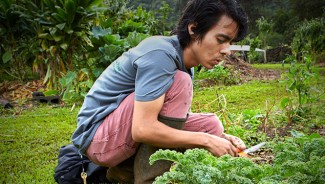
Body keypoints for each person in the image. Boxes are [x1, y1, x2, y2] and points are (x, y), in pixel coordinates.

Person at [72, 0, 249, 183]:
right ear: (194, 29)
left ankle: (122, 174)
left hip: (123, 129)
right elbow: (143, 129)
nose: (227, 51)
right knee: (181, 83)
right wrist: (206, 141)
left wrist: (219, 138)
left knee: (211, 125)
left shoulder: (184, 63)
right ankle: (148, 179)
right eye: (221, 40)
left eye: (230, 42)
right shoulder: (161, 55)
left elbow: (170, 119)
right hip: (98, 139)